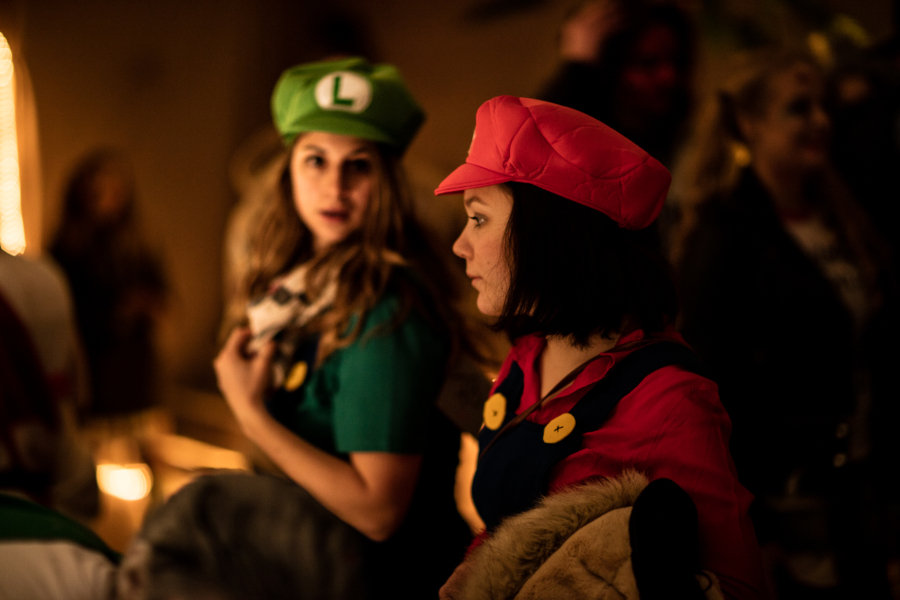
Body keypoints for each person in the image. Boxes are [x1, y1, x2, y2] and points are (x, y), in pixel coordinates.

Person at [435, 96, 766, 599]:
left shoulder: (671, 401)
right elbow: (512, 518)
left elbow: (737, 587)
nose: (460, 245)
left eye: (478, 218)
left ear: (547, 233)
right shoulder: (529, 354)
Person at [213, 57, 471, 599]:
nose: (335, 186)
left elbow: (378, 511)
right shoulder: (299, 283)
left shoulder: (386, 307)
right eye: (316, 160)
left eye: (359, 165)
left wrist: (249, 414)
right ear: (287, 169)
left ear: (388, 180)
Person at [673, 49, 896, 597]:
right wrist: (754, 527)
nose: (820, 121)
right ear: (749, 123)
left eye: (823, 107)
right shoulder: (725, 235)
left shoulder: (842, 212)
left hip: (860, 486)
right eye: (799, 108)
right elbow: (710, 387)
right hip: (790, 501)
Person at [50, 149, 167, 417]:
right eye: (99, 190)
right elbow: (65, 313)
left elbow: (162, 294)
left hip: (135, 370)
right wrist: (115, 314)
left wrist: (150, 306)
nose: (109, 198)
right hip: (93, 368)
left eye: (116, 189)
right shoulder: (69, 248)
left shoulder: (139, 245)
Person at [538, 0, 694, 168]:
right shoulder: (586, 148)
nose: (669, 76)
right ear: (608, 71)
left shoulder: (688, 133)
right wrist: (577, 68)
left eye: (678, 60)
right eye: (647, 63)